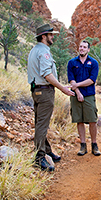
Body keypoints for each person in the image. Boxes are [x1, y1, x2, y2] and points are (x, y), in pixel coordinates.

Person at [27, 23, 74, 171]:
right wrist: (63, 89)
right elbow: (47, 74)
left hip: (36, 91)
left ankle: (47, 151)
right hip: (45, 91)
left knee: (40, 121)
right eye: (51, 35)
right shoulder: (44, 52)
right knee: (42, 124)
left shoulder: (34, 50)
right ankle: (39, 157)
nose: (53, 37)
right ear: (43, 36)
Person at [67, 40, 100, 156]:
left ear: (88, 49)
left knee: (92, 120)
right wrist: (77, 92)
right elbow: (71, 79)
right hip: (75, 96)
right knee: (79, 120)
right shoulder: (71, 63)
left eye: (84, 47)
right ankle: (83, 145)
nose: (82, 48)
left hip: (89, 95)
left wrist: (77, 85)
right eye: (80, 46)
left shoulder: (94, 63)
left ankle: (94, 145)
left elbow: (92, 80)